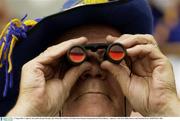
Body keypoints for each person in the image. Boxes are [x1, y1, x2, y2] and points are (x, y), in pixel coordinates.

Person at [0, 0, 180, 116]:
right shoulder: (32, 110)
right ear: (50, 75)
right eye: (75, 56)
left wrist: (165, 106)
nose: (94, 69)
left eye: (112, 55)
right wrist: (30, 111)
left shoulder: (164, 109)